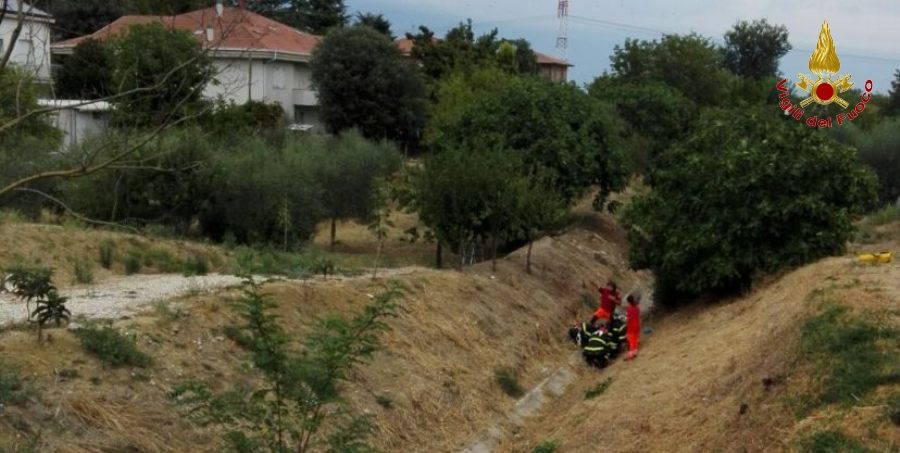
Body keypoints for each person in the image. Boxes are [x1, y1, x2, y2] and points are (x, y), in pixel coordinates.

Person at [624, 294, 641, 360]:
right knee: (636, 339)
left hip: (631, 327)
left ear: (628, 301)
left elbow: (627, 318)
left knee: (630, 340)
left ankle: (631, 354)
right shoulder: (637, 308)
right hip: (637, 325)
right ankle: (635, 352)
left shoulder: (628, 308)